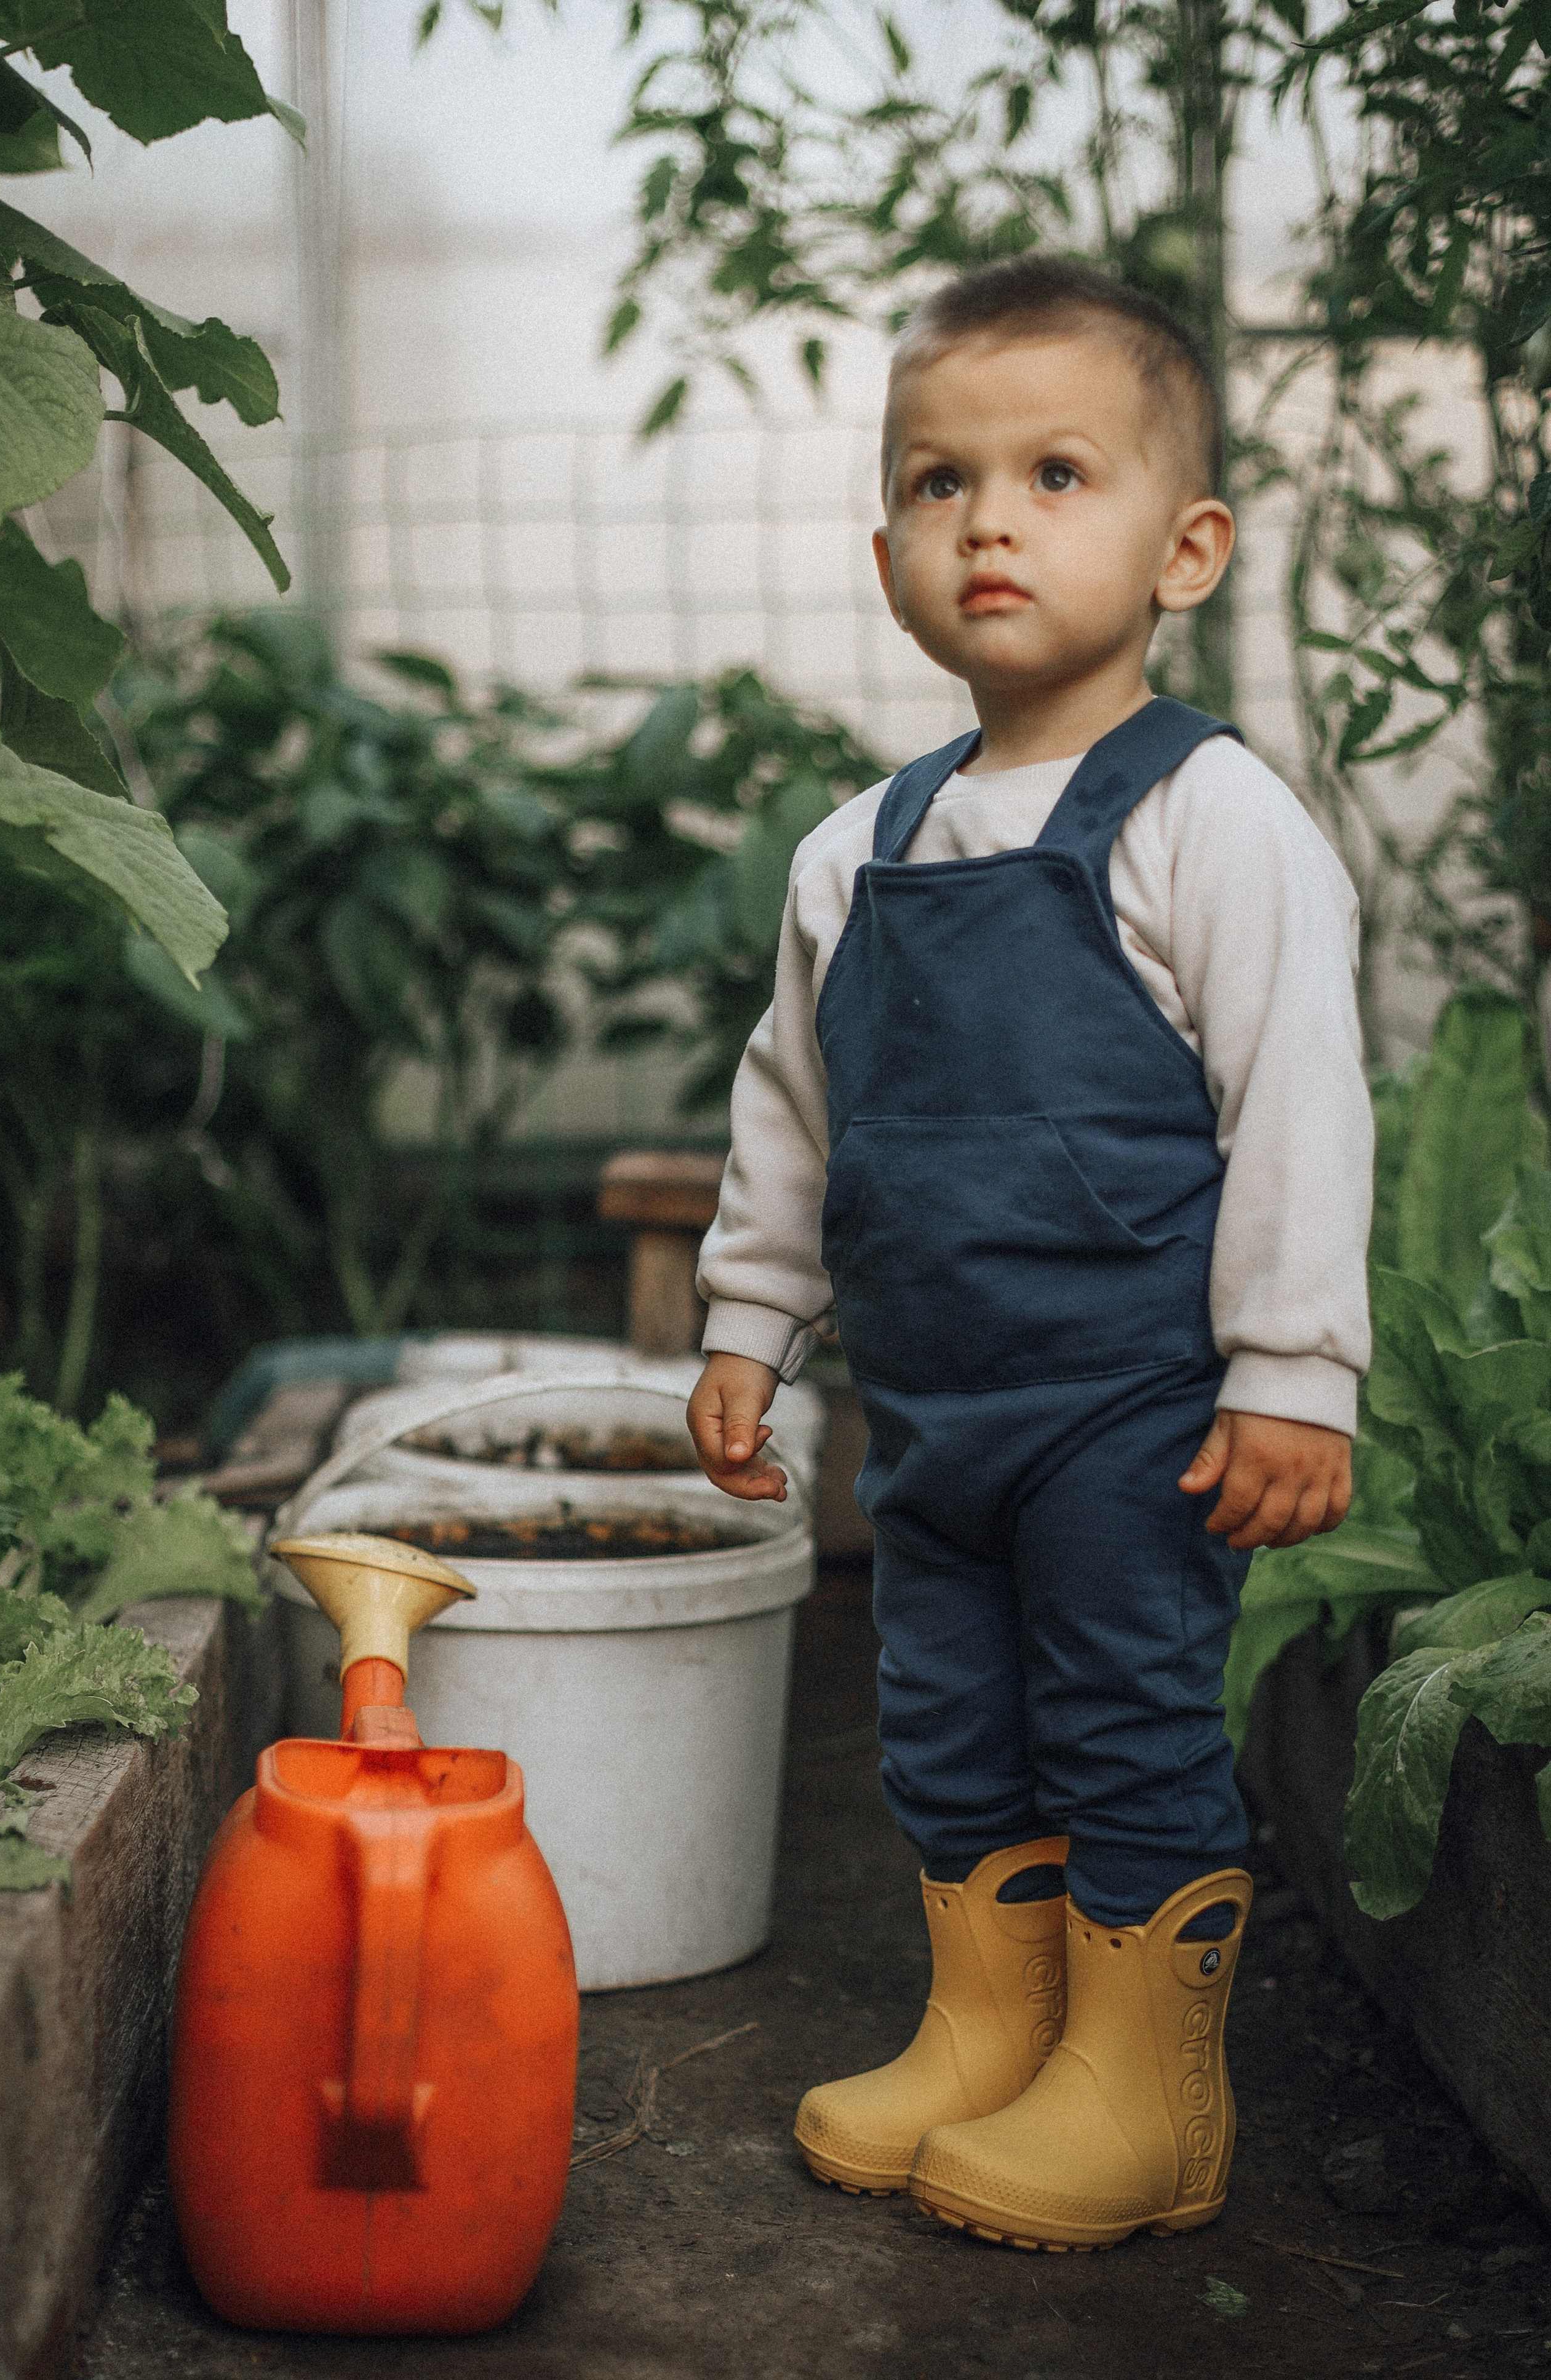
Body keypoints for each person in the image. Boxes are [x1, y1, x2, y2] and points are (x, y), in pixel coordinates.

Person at [683, 255, 1372, 2251]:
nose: (988, 518)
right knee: (949, 1717)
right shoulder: (860, 848)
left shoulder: (1213, 820)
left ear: (1188, 546)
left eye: (1058, 471)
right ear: (886, 545)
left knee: (1121, 1712)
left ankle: (1146, 2093)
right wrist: (751, 1319)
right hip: (937, 1407)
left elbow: (1302, 1103)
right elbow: (791, 1110)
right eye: (936, 481)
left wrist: (1293, 1374)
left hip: (1135, 1408)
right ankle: (993, 2036)